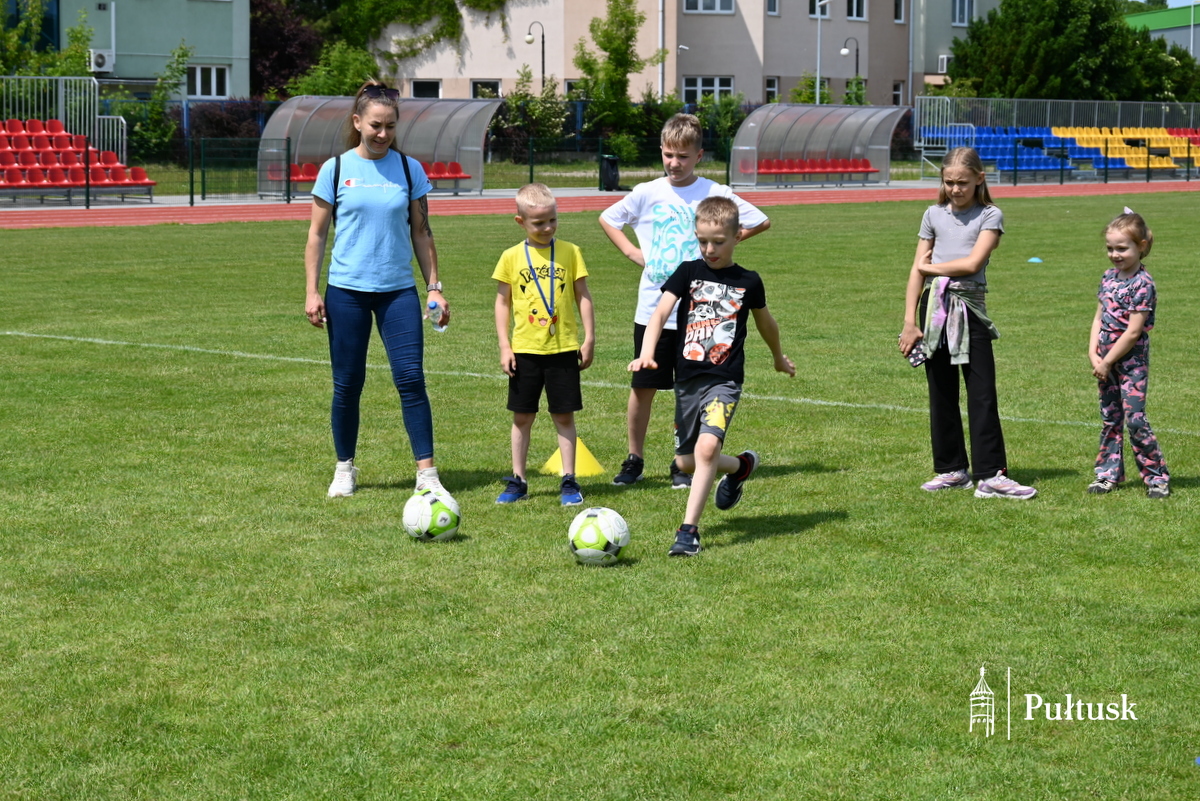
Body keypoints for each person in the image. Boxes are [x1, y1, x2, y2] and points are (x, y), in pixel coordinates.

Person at [600, 113, 770, 491]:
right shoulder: (648, 191)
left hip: (701, 316)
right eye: (667, 154)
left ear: (699, 156)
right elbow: (609, 217)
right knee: (643, 386)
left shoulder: (715, 192)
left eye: (682, 156)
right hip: (653, 309)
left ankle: (685, 462)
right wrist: (632, 252)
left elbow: (761, 220)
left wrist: (726, 243)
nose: (674, 163)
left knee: (689, 393)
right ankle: (634, 458)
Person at [304, 81, 449, 499]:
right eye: (374, 125)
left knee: (410, 378)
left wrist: (434, 288)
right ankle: (344, 468)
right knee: (348, 383)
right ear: (357, 122)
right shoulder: (335, 169)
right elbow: (316, 236)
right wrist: (312, 291)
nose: (382, 133)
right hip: (346, 291)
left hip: (397, 292)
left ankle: (427, 474)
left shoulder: (409, 170)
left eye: (389, 126)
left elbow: (422, 233)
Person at [629, 196, 794, 557]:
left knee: (706, 449)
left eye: (718, 242)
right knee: (685, 461)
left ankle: (688, 532)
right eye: (703, 240)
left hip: (724, 381)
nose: (709, 249)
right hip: (687, 380)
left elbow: (767, 323)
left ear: (737, 236)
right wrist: (646, 353)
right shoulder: (688, 272)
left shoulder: (748, 281)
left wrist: (778, 358)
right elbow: (659, 314)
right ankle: (740, 467)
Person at [898, 147, 1036, 500]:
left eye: (962, 182)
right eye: (949, 182)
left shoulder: (990, 215)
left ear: (979, 178)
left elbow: (972, 263)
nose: (956, 189)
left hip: (969, 307)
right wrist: (909, 322)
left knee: (982, 392)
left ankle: (991, 475)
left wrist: (930, 269)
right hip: (935, 307)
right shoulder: (932, 214)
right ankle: (951, 470)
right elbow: (916, 271)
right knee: (941, 392)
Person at [493, 183, 595, 506]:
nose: (547, 227)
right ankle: (518, 480)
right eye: (538, 223)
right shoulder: (510, 257)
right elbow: (502, 303)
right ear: (520, 221)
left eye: (552, 220)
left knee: (564, 416)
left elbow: (583, 296)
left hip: (563, 348)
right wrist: (504, 346)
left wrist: (589, 336)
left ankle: (569, 480)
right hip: (524, 351)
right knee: (522, 416)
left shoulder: (570, 251)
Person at [1086, 210, 1170, 498]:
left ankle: (1156, 477)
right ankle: (1107, 474)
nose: (1115, 254)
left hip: (1130, 361)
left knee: (1134, 418)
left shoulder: (1143, 284)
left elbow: (1133, 332)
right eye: (1110, 248)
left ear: (1142, 246)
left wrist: (1108, 361)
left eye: (1122, 248)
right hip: (1104, 361)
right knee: (1110, 418)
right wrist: (1094, 353)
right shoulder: (1108, 277)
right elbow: (1099, 317)